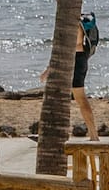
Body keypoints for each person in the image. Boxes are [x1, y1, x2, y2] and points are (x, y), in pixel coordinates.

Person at [42, 14, 100, 142]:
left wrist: (51, 67)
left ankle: (94, 135)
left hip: (77, 60)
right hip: (76, 59)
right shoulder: (75, 21)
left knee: (80, 98)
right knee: (67, 97)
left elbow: (77, 41)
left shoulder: (76, 23)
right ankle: (92, 135)